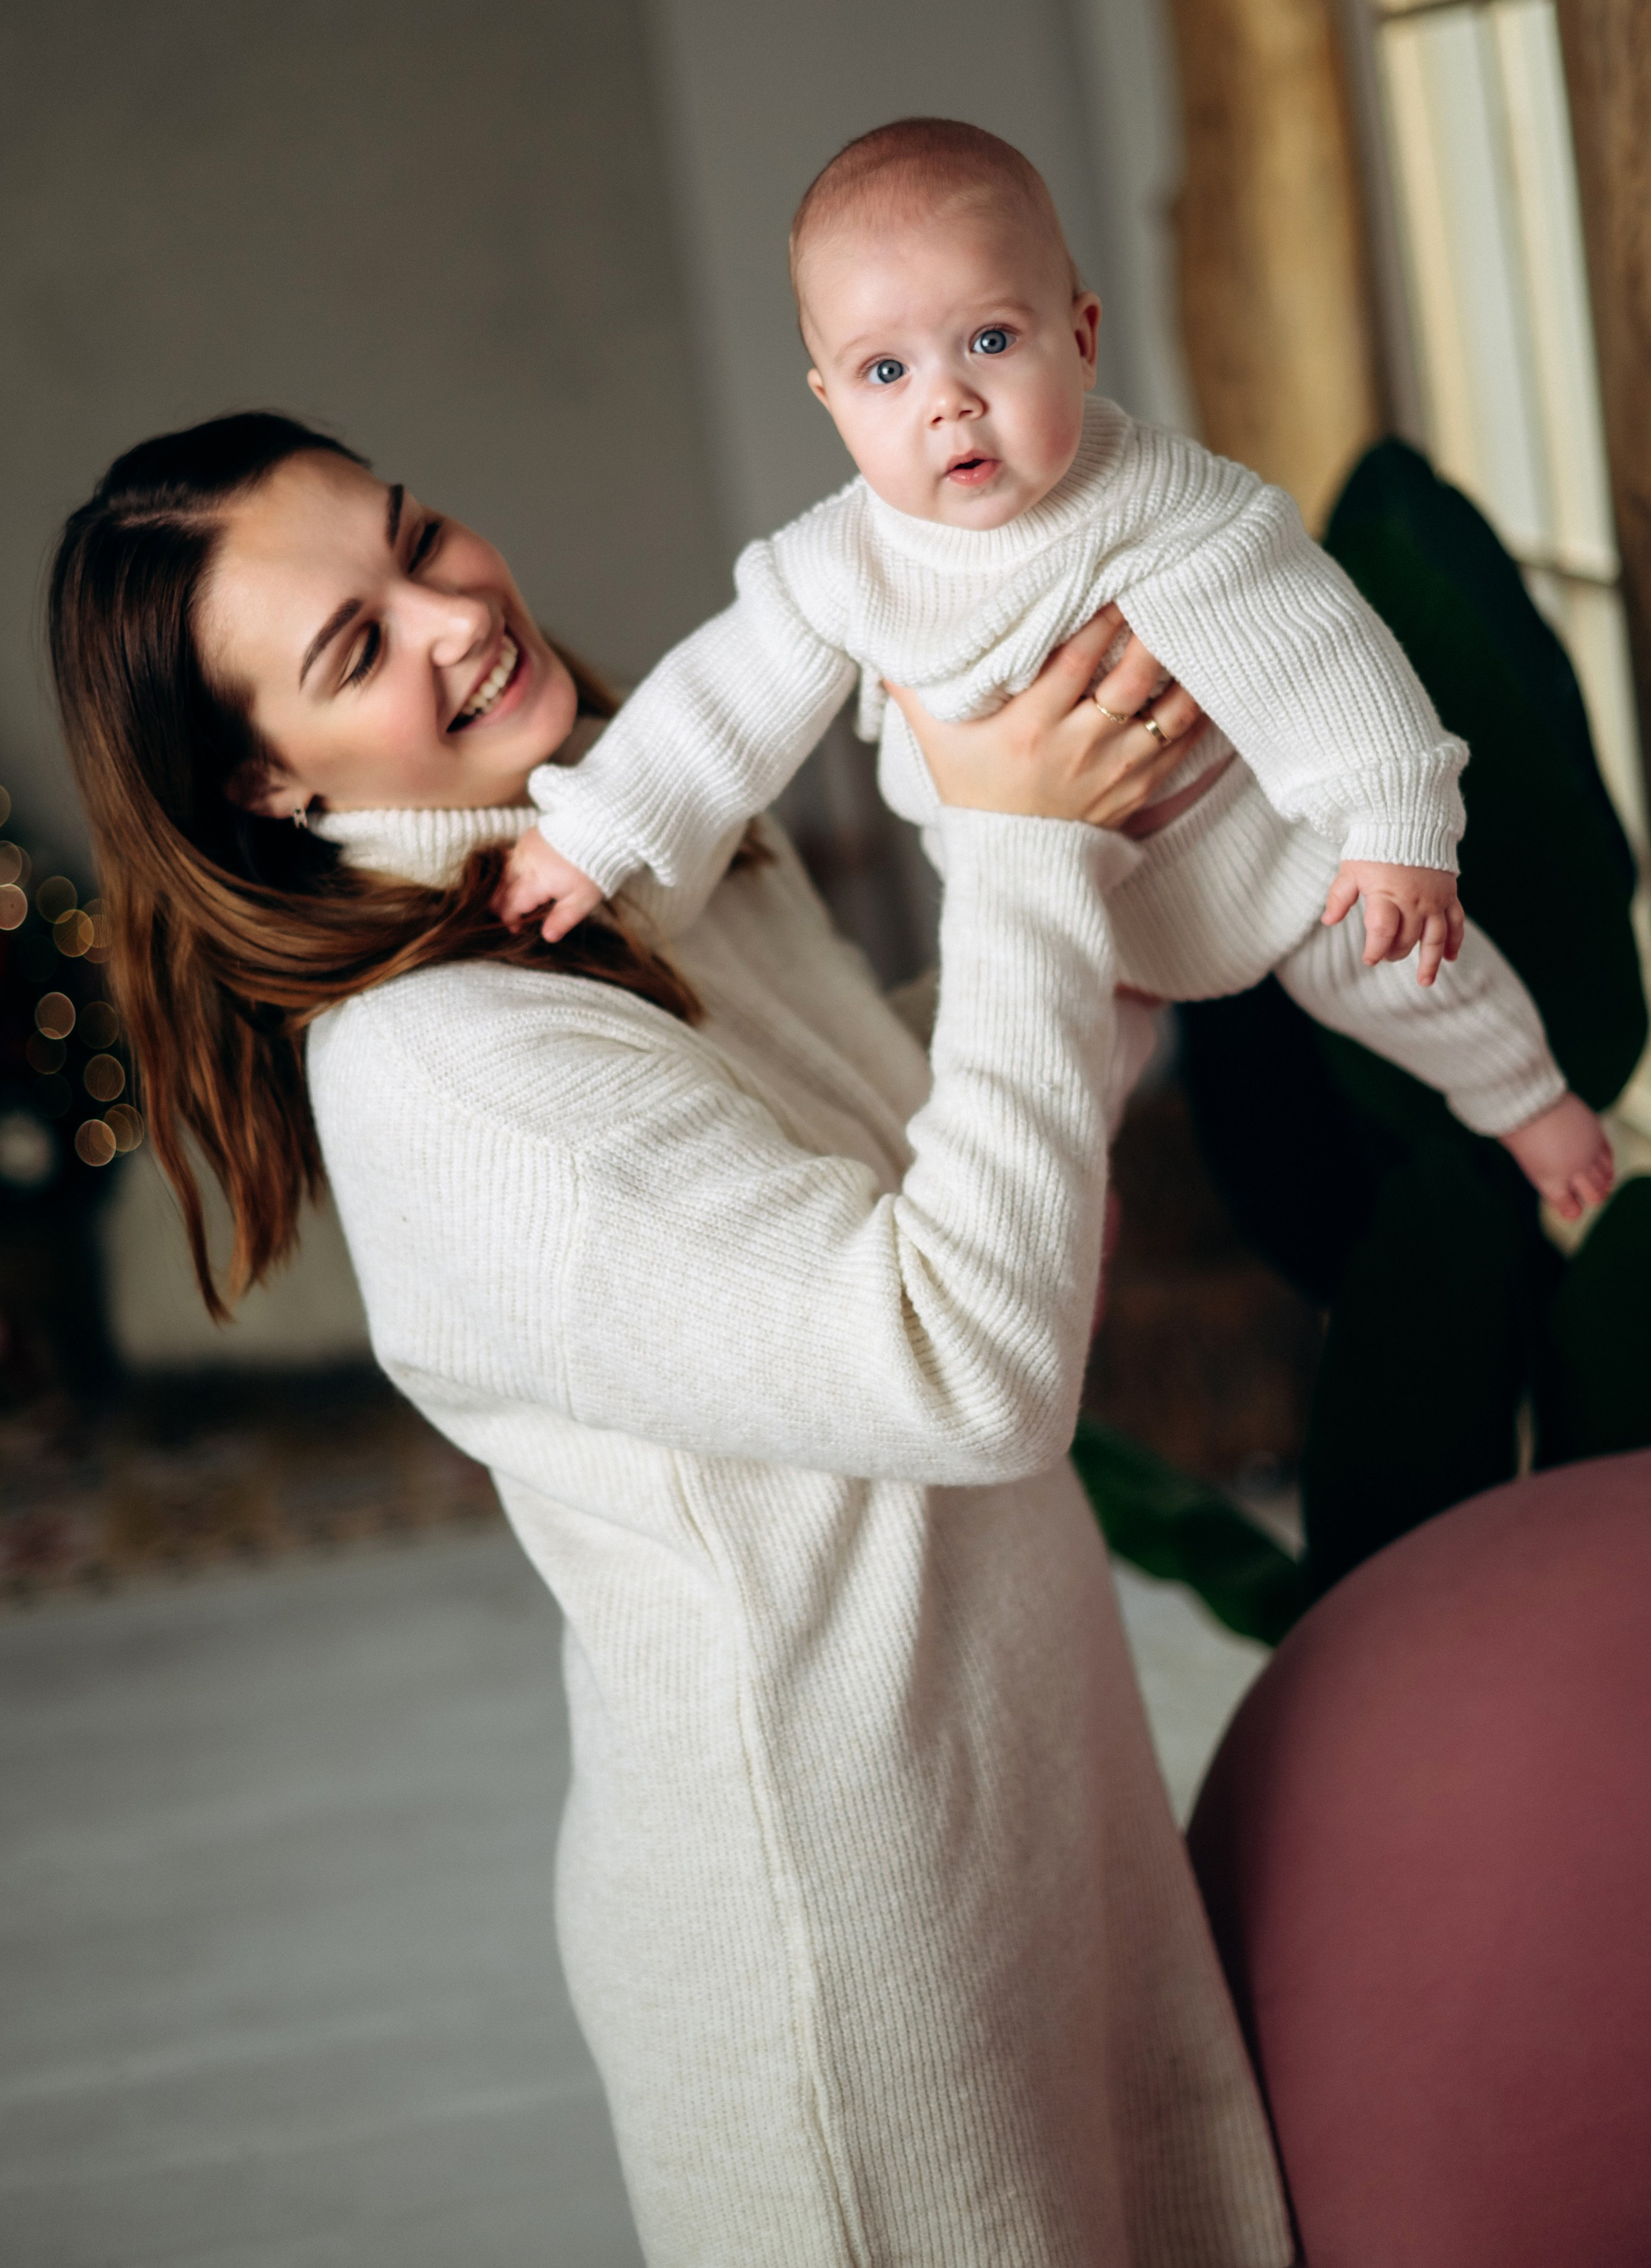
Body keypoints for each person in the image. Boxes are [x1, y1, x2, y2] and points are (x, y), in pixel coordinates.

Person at [47, 413, 1292, 2267]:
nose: (453, 613)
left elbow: (913, 1142)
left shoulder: (634, 821)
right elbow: (960, 1368)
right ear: (265, 782)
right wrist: (1024, 855)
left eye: (418, 535)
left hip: (1034, 1791)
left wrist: (1134, 860)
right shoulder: (449, 1073)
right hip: (852, 1933)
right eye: (355, 647)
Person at [504, 117, 1612, 1223]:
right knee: (1033, 1089)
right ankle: (1062, 1235)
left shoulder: (1161, 500)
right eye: (886, 370)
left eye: (989, 340)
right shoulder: (840, 565)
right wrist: (597, 826)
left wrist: (1394, 819)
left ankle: (1531, 1102)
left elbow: (1315, 646)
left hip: (1255, 859)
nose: (948, 401)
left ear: (1081, 341)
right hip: (1057, 908)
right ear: (831, 404)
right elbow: (718, 705)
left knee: (1407, 965)